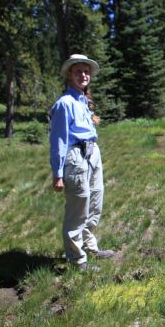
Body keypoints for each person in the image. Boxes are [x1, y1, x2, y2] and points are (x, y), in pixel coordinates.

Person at [49, 54, 114, 271]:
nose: (83, 75)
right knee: (78, 208)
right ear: (69, 74)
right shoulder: (64, 104)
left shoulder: (83, 101)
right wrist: (57, 174)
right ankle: (77, 260)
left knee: (95, 202)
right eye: (78, 71)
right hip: (75, 158)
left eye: (86, 71)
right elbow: (58, 141)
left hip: (92, 154)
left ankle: (90, 247)